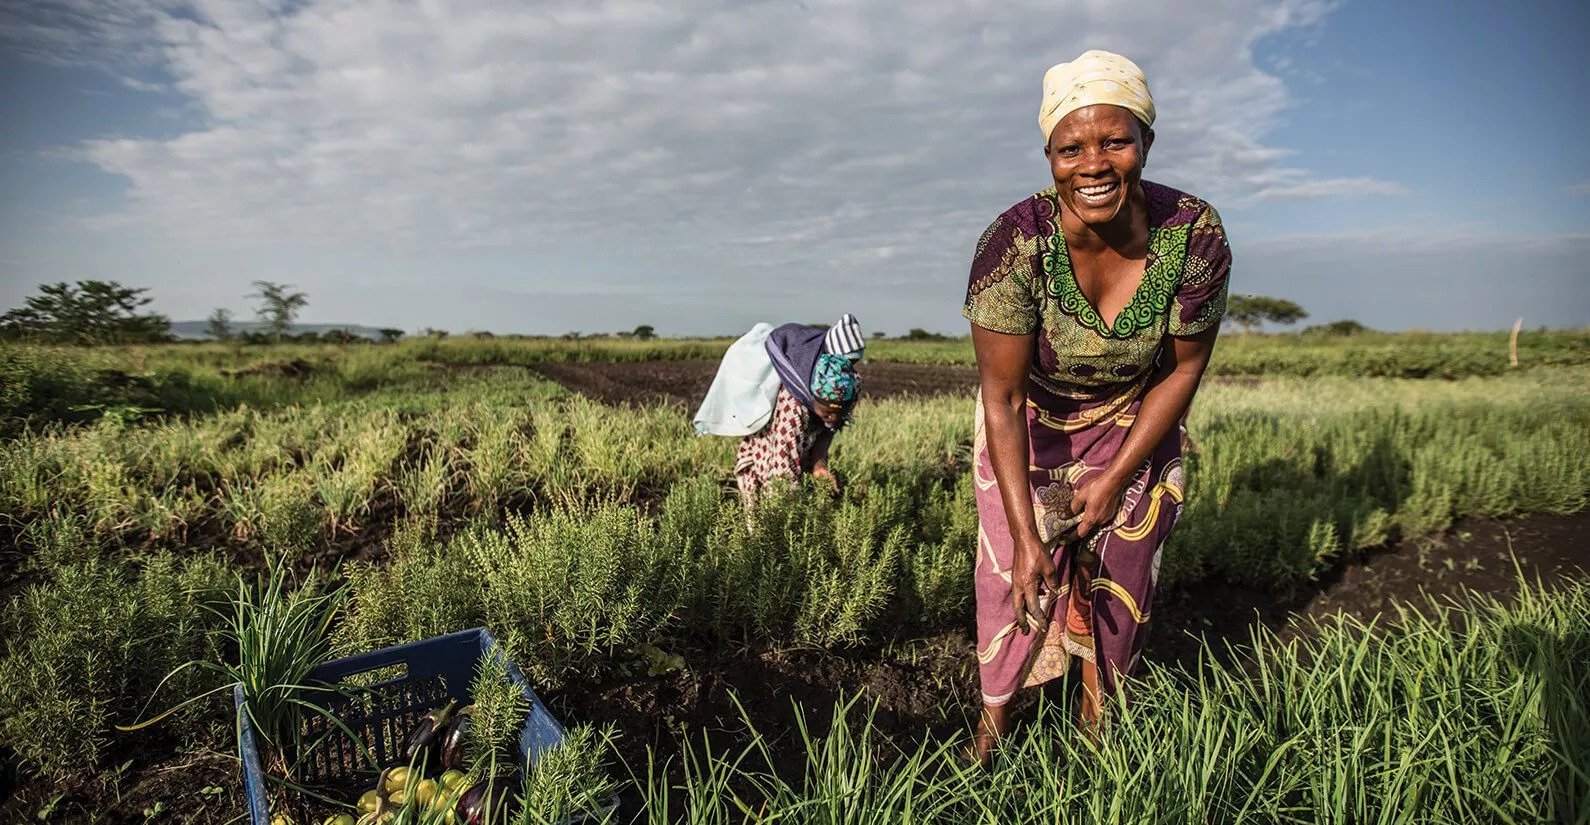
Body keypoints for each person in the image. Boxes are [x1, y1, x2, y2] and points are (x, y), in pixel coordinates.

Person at [962, 50, 1231, 762]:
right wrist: (1027, 533)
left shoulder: (1193, 236)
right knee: (1014, 580)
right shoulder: (1014, 246)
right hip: (1032, 426)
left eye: (1116, 140)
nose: (1095, 163)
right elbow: (1004, 394)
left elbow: (1185, 367)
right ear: (1048, 155)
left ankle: (1096, 725)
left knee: (1119, 575)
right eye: (1071, 147)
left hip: (1136, 420)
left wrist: (1115, 480)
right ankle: (991, 729)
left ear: (1145, 141)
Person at [692, 315, 865, 505]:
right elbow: (783, 475)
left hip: (799, 453)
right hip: (766, 462)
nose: (833, 417)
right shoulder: (793, 407)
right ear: (814, 397)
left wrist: (819, 464)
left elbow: (830, 427)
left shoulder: (845, 388)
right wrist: (790, 515)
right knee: (767, 518)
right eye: (828, 412)